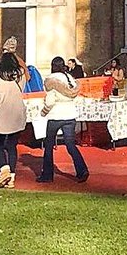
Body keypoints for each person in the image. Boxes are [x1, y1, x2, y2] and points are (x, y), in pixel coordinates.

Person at [37, 56, 89, 184]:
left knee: (49, 145)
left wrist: (43, 112)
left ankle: (47, 175)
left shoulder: (51, 80)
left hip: (56, 115)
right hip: (70, 115)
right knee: (70, 145)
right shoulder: (70, 78)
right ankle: (82, 170)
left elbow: (50, 101)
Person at [0, 51, 28, 188]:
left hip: (3, 114)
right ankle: (12, 176)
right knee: (12, 145)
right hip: (17, 113)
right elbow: (26, 71)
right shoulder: (20, 75)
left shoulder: (1, 78)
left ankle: (4, 169)